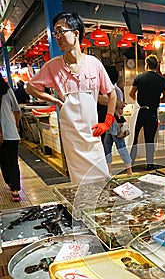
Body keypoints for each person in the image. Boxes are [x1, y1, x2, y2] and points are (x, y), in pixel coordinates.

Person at [26, 12, 116, 184]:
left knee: (102, 180)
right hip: (72, 138)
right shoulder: (53, 66)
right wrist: (55, 100)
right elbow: (31, 87)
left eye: (61, 31)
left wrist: (107, 122)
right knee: (79, 184)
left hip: (93, 135)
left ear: (76, 33)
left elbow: (111, 94)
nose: (57, 37)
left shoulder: (93, 63)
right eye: (55, 33)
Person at [129, 54, 165, 170]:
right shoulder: (162, 80)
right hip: (152, 112)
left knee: (134, 138)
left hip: (140, 112)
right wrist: (157, 100)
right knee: (150, 139)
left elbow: (131, 93)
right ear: (157, 66)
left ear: (146, 65)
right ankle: (150, 164)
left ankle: (131, 163)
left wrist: (138, 102)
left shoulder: (139, 78)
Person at [101, 66, 132, 175]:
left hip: (113, 122)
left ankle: (129, 170)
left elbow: (119, 109)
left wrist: (113, 109)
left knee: (120, 145)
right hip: (111, 122)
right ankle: (109, 170)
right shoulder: (116, 90)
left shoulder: (113, 91)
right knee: (107, 145)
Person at [0, 76, 22, 201]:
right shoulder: (7, 91)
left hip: (4, 134)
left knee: (3, 161)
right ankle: (15, 190)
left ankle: (9, 182)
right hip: (10, 132)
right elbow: (16, 110)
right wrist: (16, 126)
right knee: (13, 161)